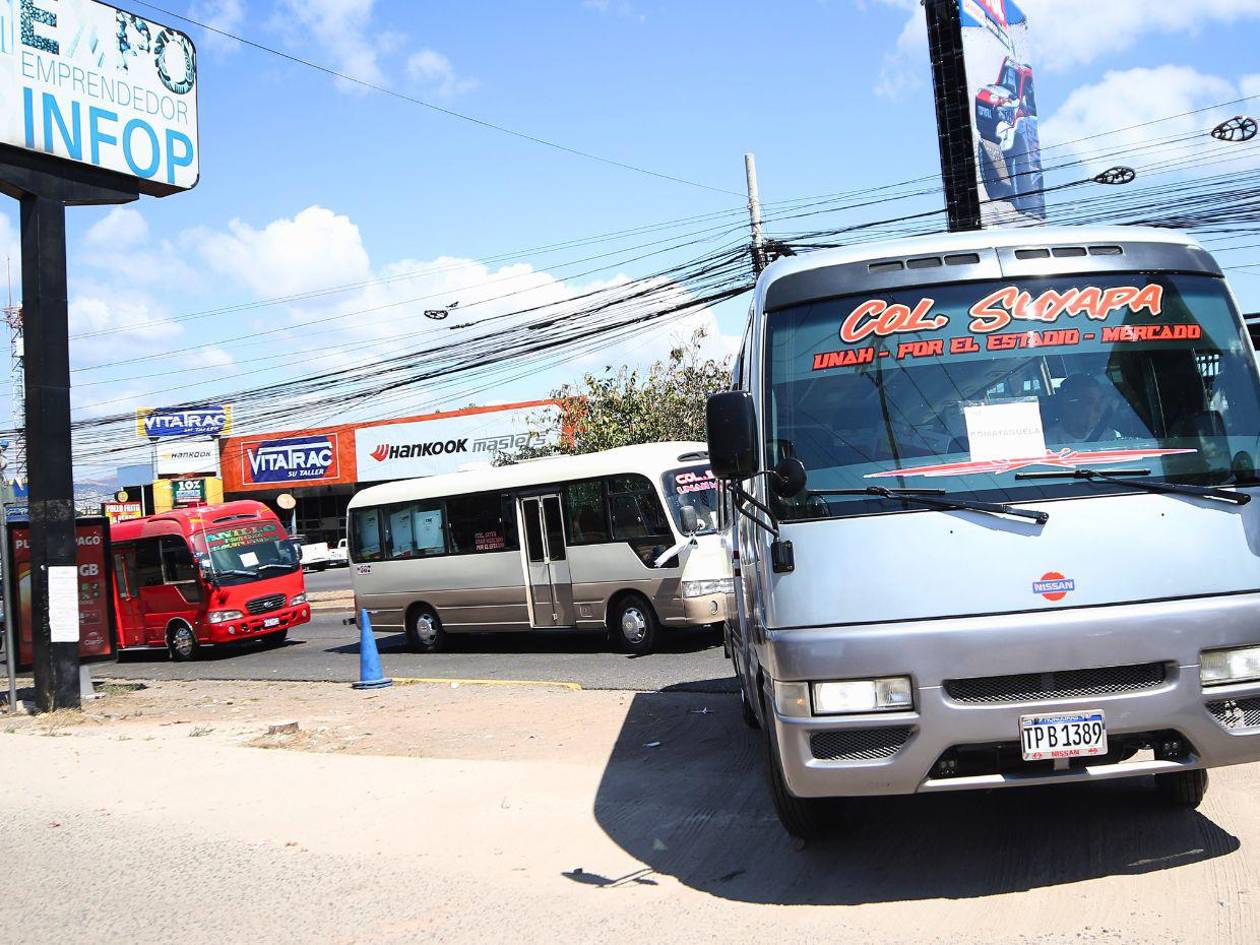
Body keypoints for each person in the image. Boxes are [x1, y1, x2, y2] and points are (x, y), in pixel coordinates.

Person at [1046, 374, 1120, 444]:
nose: (1098, 408)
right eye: (1090, 402)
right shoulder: (1047, 443)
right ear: (1069, 406)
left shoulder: (1113, 437)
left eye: (1101, 401)